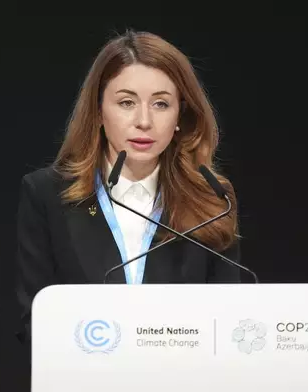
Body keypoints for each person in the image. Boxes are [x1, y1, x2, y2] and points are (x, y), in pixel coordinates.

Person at [14, 30, 242, 352]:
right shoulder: (47, 194)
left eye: (161, 104)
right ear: (98, 112)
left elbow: (228, 320)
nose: (144, 121)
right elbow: (34, 320)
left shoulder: (212, 200)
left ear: (181, 115)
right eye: (126, 102)